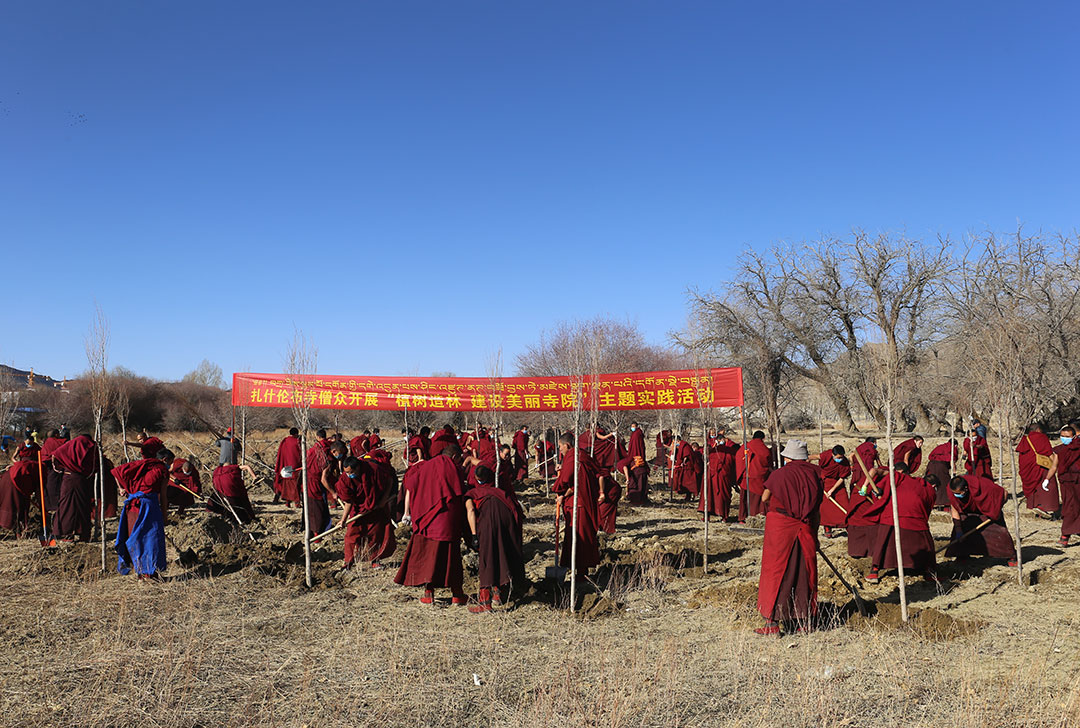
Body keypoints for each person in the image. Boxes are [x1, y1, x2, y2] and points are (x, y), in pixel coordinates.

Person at [755, 440, 822, 636]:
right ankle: (804, 621)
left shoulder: (780, 474)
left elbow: (765, 498)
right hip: (806, 528)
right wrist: (815, 536)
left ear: (787, 458)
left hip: (781, 528)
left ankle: (772, 623)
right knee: (804, 573)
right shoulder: (815, 475)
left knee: (776, 571)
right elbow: (816, 510)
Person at [395, 444, 468, 604]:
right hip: (447, 520)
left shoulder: (426, 466)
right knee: (451, 559)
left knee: (428, 558)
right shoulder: (452, 468)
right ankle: (457, 595)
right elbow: (459, 492)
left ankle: (429, 594)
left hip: (426, 519)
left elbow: (411, 484)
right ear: (455, 457)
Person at [465, 465, 525, 613]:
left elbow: (471, 511)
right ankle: (498, 595)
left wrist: (474, 535)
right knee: (501, 553)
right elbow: (515, 509)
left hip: (488, 523)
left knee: (487, 558)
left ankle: (485, 601)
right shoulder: (500, 492)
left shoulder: (472, 493)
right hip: (507, 523)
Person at [862, 465, 937, 583]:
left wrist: (873, 489)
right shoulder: (925, 488)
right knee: (926, 544)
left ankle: (874, 572)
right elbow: (926, 511)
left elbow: (879, 474)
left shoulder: (900, 478)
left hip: (894, 514)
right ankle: (929, 572)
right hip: (914, 516)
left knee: (883, 540)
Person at [552, 433, 602, 578]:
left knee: (579, 537)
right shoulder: (581, 455)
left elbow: (570, 479)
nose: (560, 450)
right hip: (582, 501)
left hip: (578, 504)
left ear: (567, 445)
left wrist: (560, 491)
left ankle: (580, 573)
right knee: (579, 536)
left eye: (560, 447)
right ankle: (578, 570)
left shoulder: (574, 457)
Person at [112, 454, 169, 580]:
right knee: (151, 539)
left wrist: (122, 489)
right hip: (149, 507)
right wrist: (164, 515)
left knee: (136, 539)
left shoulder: (141, 465)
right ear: (164, 459)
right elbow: (163, 496)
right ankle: (149, 573)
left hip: (132, 508)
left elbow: (116, 472)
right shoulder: (162, 470)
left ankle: (138, 572)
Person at [945, 475, 1016, 563]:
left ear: (966, 489)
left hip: (987, 511)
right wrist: (958, 529)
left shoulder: (982, 486)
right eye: (955, 493)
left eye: (959, 493)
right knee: (961, 529)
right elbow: (954, 508)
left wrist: (996, 509)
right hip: (967, 513)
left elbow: (1004, 493)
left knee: (999, 532)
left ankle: (1010, 557)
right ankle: (962, 556)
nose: (956, 495)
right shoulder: (951, 490)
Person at [52, 435, 99, 542]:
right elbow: (95, 465)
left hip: (68, 477)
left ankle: (66, 534)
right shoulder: (91, 446)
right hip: (82, 479)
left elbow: (55, 454)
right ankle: (83, 534)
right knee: (83, 506)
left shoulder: (70, 445)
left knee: (66, 505)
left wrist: (58, 468)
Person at [845, 437, 881, 557]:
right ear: (874, 443)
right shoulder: (873, 450)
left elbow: (850, 456)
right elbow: (878, 465)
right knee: (868, 498)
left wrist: (852, 466)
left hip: (857, 474)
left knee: (856, 496)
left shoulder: (858, 449)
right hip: (868, 475)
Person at [1016, 424, 1059, 518]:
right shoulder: (1041, 437)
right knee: (1049, 484)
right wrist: (1056, 464)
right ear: (1038, 430)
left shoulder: (1024, 439)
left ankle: (1035, 505)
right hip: (1040, 466)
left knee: (1034, 487)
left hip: (1028, 467)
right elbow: (1048, 452)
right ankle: (1046, 508)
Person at [700, 427, 738, 520]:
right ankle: (724, 516)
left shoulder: (714, 451)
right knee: (723, 496)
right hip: (723, 477)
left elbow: (707, 462)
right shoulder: (730, 452)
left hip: (711, 477)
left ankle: (707, 516)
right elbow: (734, 466)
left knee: (709, 495)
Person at [736, 431, 772, 521]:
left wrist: (741, 473)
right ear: (763, 438)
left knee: (746, 499)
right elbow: (768, 462)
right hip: (759, 478)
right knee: (758, 500)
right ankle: (757, 518)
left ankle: (743, 518)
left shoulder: (745, 447)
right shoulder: (764, 449)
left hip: (746, 477)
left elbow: (738, 458)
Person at [1053, 425, 1080, 547]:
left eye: (1067, 437)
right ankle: (1066, 534)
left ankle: (1067, 535)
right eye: (1062, 436)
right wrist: (1047, 479)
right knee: (1069, 506)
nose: (1064, 439)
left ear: (1074, 436)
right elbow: (1054, 466)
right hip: (1066, 482)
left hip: (1078, 480)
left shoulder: (1078, 447)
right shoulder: (1060, 450)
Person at [817, 445, 851, 538]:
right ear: (833, 454)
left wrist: (832, 490)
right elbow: (813, 457)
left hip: (838, 485)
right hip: (826, 483)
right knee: (826, 508)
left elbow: (842, 478)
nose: (840, 459)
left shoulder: (845, 462)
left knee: (844, 505)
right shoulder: (826, 456)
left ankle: (848, 527)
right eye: (838, 457)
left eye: (842, 457)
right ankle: (827, 529)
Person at [0, 458, 40, 535]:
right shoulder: (38, 469)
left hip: (17, 480)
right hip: (13, 481)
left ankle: (20, 530)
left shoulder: (37, 469)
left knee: (20, 504)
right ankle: (17, 529)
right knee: (14, 504)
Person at [925, 438, 960, 507]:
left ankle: (931, 501)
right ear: (955, 445)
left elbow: (930, 456)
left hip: (931, 466)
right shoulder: (952, 448)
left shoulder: (941, 447)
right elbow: (952, 460)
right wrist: (954, 472)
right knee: (945, 484)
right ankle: (942, 502)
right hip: (941, 467)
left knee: (931, 483)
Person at [273, 428, 303, 507]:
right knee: (296, 484)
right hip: (295, 467)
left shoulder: (285, 441)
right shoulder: (298, 442)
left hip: (285, 466)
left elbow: (280, 454)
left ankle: (287, 502)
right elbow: (300, 454)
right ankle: (297, 502)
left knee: (286, 484)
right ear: (296, 434)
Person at [624, 422, 651, 505]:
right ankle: (642, 498)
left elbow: (634, 447)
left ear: (637, 426)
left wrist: (631, 456)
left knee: (637, 481)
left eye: (633, 426)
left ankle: (636, 499)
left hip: (636, 459)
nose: (632, 428)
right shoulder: (638, 434)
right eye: (631, 426)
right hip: (640, 458)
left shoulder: (636, 435)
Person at [669, 434, 699, 501]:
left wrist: (683, 462)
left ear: (677, 440)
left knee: (689, 482)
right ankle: (687, 496)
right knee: (684, 482)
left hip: (688, 466)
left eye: (674, 442)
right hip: (685, 467)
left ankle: (691, 496)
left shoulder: (684, 445)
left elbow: (687, 455)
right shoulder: (680, 446)